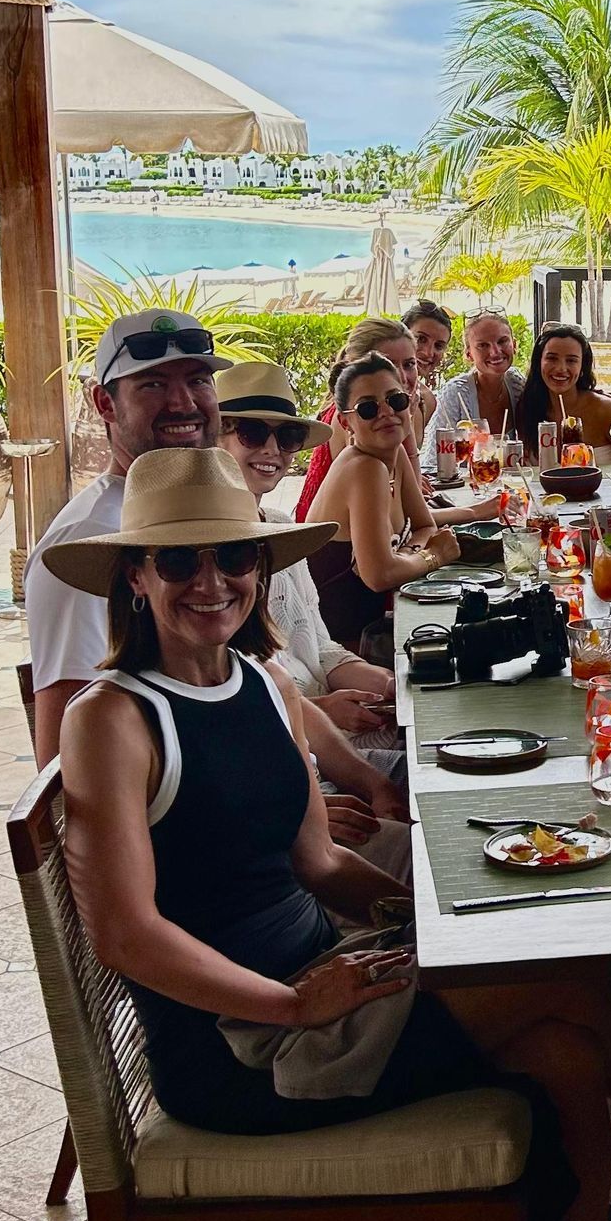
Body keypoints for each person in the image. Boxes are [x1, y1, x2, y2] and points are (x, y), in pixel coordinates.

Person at [50, 447, 611, 1221]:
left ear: (260, 568)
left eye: (234, 557)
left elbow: (317, 862)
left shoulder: (267, 685)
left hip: (331, 976)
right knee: (567, 980)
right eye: (181, 561)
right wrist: (290, 1008)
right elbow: (125, 932)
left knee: (567, 1045)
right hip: (243, 1045)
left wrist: (433, 907)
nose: (213, 582)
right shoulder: (113, 718)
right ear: (136, 575)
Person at [215, 362, 409, 874]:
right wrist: (322, 706)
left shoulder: (283, 532)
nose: (273, 450)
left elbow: (321, 649)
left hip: (322, 751)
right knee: (438, 842)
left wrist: (391, 684)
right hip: (298, 785)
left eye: (288, 435)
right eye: (253, 432)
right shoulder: (206, 571)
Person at [24, 308, 229, 768]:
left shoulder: (200, 513)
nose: (183, 404)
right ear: (105, 404)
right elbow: (64, 756)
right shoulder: (92, 540)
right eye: (153, 384)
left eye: (198, 380)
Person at [306, 352, 460, 651]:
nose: (386, 412)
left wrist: (403, 557)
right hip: (341, 648)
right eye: (368, 408)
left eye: (395, 400)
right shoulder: (364, 468)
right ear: (345, 422)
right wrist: (434, 557)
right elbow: (379, 576)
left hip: (370, 630)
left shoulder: (393, 453)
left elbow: (425, 525)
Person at [295, 317, 405, 520]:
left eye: (409, 364)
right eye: (387, 363)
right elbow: (385, 532)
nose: (402, 376)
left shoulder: (395, 423)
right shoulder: (358, 441)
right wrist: (432, 553)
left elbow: (417, 521)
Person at [514, 323, 611, 464]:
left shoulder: (604, 409)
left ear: (582, 368)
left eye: (571, 360)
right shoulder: (527, 408)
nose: (561, 368)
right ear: (539, 363)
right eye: (552, 358)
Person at [420, 311, 524, 475]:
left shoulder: (518, 384)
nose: (495, 352)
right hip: (462, 492)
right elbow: (434, 463)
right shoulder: (455, 393)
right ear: (468, 354)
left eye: (502, 341)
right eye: (483, 345)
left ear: (514, 345)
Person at [403, 297, 456, 442]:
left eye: (438, 346)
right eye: (420, 339)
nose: (428, 353)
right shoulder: (370, 394)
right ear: (401, 334)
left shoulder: (427, 400)